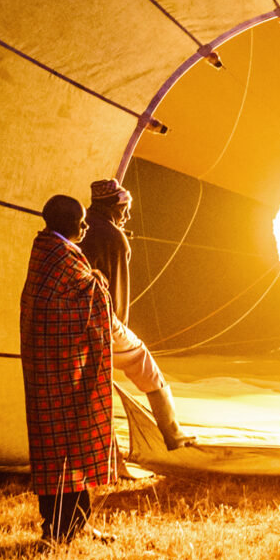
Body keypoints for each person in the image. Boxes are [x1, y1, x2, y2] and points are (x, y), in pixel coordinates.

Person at [20, 194, 119, 542]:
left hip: (55, 371)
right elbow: (69, 305)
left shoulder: (47, 251)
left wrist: (89, 279)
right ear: (65, 223)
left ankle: (77, 523)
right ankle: (59, 530)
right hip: (59, 373)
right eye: (80, 221)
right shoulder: (58, 256)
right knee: (62, 448)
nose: (86, 225)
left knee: (65, 447)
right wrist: (97, 283)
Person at [82, 177, 195, 458]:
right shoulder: (113, 237)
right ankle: (173, 433)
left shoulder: (82, 227)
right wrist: (118, 327)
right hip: (102, 322)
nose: (128, 214)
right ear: (111, 206)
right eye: (124, 207)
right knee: (143, 362)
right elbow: (117, 288)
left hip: (74, 322)